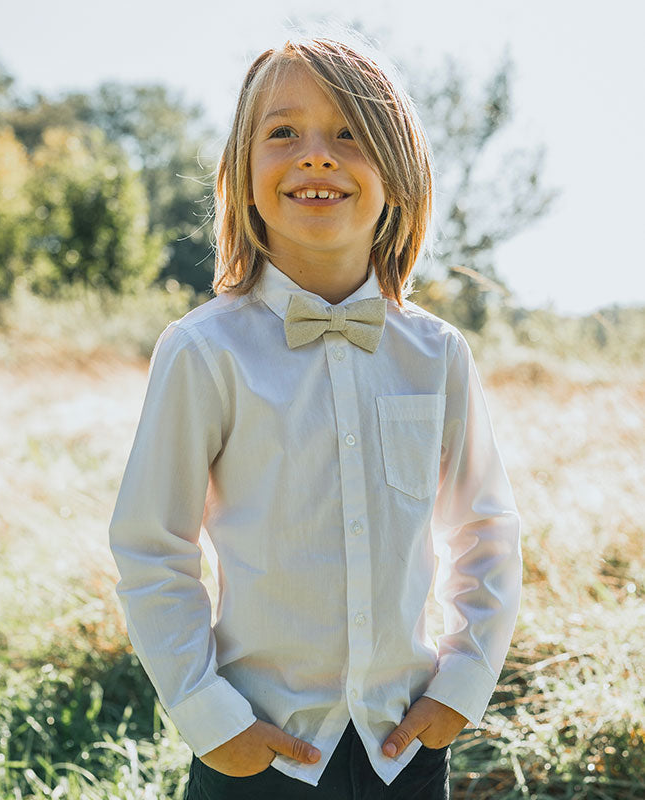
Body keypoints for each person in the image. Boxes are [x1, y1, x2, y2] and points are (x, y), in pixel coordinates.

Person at [108, 27, 522, 800]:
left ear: (400, 172)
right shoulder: (203, 351)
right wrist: (210, 718)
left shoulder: (437, 354)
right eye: (283, 133)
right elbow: (152, 547)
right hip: (257, 751)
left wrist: (461, 687)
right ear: (242, 172)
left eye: (349, 133)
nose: (317, 156)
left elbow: (486, 532)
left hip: (406, 749)